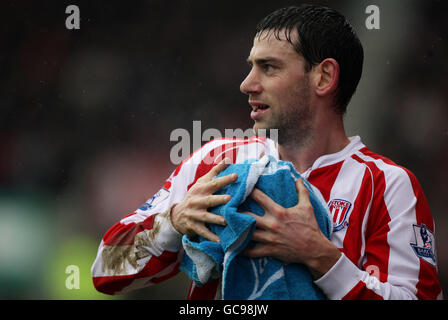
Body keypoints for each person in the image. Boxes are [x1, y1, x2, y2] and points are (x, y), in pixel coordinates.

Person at [91, 4, 442, 299]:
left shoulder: (389, 186)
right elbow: (104, 270)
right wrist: (172, 223)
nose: (247, 84)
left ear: (323, 77)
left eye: (269, 67)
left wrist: (323, 258)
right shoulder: (216, 163)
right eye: (250, 66)